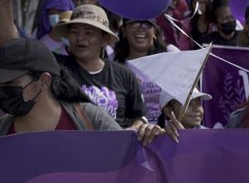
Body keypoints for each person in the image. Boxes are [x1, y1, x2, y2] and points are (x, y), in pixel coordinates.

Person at [0, 38, 163, 145]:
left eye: (10, 83)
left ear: (44, 81)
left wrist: (153, 138)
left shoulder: (91, 119)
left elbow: (130, 158)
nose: (3, 90)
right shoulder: (3, 129)